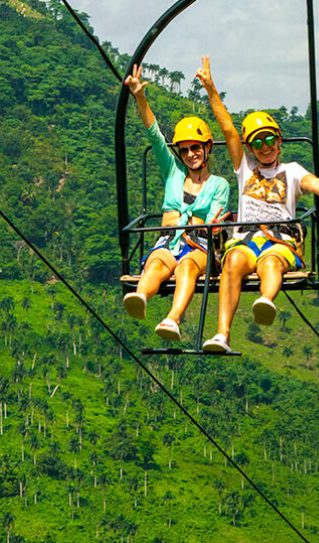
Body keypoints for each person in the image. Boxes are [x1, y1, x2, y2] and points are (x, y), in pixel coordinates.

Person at [195, 56, 319, 353]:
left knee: (271, 263)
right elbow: (228, 129)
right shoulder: (245, 168)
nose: (265, 147)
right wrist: (211, 90)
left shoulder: (291, 171)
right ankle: (222, 334)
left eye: (269, 140)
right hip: (246, 238)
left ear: (279, 142)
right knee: (233, 262)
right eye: (257, 143)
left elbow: (315, 183)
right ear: (250, 148)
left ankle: (265, 300)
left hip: (279, 239)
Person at [121, 63, 231, 341]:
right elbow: (154, 135)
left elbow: (214, 217)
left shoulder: (218, 184)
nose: (190, 154)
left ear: (207, 147)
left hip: (199, 244)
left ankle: (173, 318)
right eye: (184, 150)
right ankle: (141, 296)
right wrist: (139, 97)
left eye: (195, 148)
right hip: (168, 240)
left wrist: (215, 226)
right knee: (157, 262)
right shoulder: (173, 173)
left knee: (186, 267)